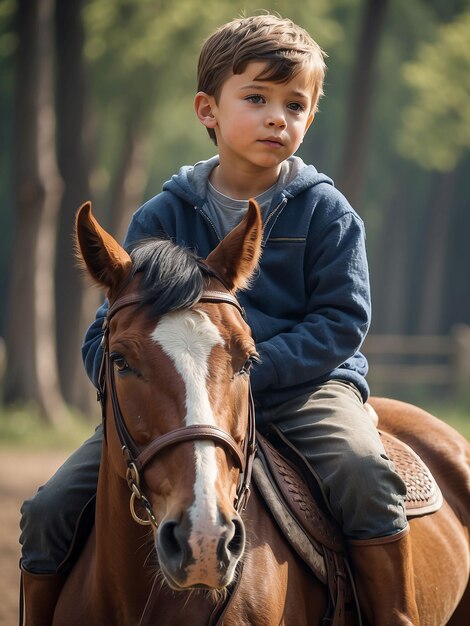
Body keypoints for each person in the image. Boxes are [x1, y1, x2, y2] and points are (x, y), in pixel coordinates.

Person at [19, 14, 419, 626]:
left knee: (366, 476)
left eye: (294, 104)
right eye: (256, 98)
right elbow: (115, 324)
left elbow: (341, 322)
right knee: (48, 508)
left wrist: (241, 376)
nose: (276, 117)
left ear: (309, 119)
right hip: (174, 403)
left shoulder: (328, 214)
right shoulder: (161, 215)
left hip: (307, 391)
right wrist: (133, 378)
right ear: (208, 109)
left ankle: (397, 616)